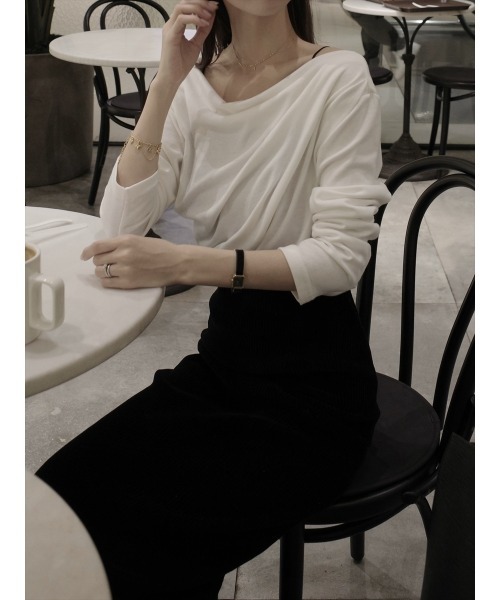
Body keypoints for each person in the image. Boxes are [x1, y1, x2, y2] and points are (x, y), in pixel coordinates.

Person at [36, 1, 391, 597]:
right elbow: (120, 225)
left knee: (149, 547)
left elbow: (340, 258)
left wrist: (183, 262)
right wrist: (168, 82)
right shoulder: (192, 86)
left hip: (316, 389)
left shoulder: (338, 76)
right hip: (224, 364)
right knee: (59, 502)